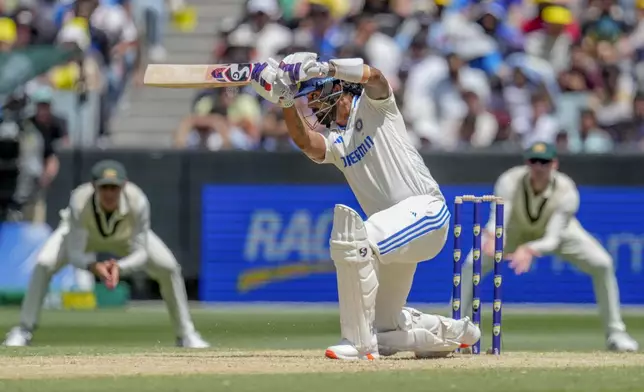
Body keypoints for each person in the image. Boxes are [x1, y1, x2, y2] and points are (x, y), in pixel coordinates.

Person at [249, 53, 480, 360]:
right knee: (385, 330)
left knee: (356, 239)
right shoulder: (336, 142)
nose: (314, 107)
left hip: (427, 213)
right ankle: (454, 333)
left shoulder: (374, 107)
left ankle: (357, 344)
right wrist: (286, 102)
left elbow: (376, 77)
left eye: (314, 97)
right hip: (392, 233)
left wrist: (328, 66)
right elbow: (307, 143)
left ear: (335, 89)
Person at [3, 160, 209, 348]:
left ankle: (186, 334)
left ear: (124, 185)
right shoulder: (80, 201)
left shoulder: (138, 201)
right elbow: (75, 252)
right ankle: (23, 330)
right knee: (44, 263)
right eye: (104, 188)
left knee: (169, 267)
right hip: (84, 236)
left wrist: (119, 267)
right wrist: (94, 267)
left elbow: (141, 253)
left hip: (124, 236)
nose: (110, 193)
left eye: (114, 187)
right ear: (94, 187)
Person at [458, 142, 639, 352]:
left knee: (603, 264)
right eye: (534, 161)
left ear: (554, 164)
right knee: (472, 263)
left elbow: (552, 239)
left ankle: (616, 334)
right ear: (527, 163)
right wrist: (491, 235)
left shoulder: (566, 190)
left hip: (561, 233)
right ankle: (458, 333)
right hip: (513, 231)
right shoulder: (509, 180)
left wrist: (529, 249)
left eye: (544, 162)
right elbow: (499, 217)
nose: (538, 167)